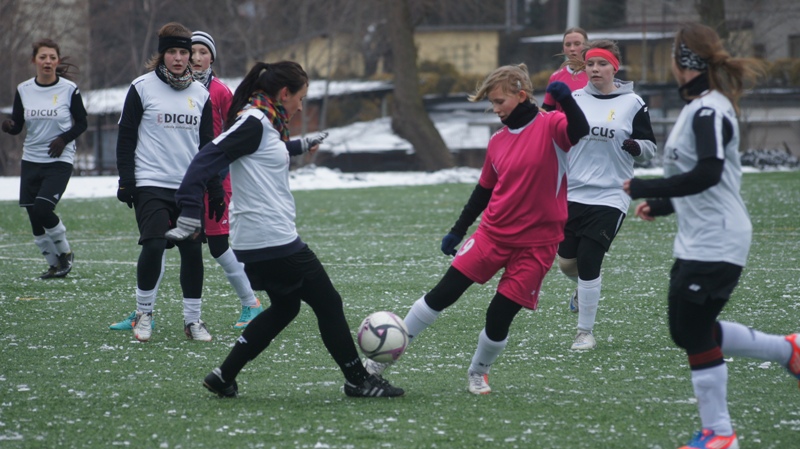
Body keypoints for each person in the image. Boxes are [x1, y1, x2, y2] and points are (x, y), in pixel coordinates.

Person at [166, 61, 403, 398]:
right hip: (272, 239)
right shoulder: (254, 121)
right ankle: (358, 380)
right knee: (329, 303)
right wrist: (189, 209)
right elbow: (207, 157)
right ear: (284, 93)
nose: (301, 105)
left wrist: (300, 146)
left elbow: (262, 153)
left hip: (259, 238)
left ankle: (224, 375)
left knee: (285, 307)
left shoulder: (266, 121)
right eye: (301, 98)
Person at [623, 22, 800, 449]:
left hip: (719, 240)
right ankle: (789, 351)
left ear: (682, 61)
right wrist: (664, 205)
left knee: (692, 329)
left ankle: (720, 434)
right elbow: (701, 178)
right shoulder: (698, 106)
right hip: (700, 238)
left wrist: (649, 187)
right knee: (687, 329)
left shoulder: (708, 110)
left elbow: (708, 173)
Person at [366, 64, 589, 395]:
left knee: (499, 314)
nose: (495, 110)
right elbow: (484, 190)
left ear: (522, 96)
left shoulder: (552, 125)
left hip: (537, 245)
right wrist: (457, 230)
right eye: (491, 103)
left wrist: (568, 102)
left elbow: (580, 131)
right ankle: (381, 360)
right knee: (444, 293)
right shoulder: (497, 141)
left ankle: (478, 372)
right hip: (492, 235)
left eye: (499, 102)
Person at [109, 22, 218, 342]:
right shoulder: (141, 87)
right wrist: (126, 180)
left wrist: (212, 186)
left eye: (184, 52)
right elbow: (125, 137)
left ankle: (193, 321)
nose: (179, 57)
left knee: (192, 251)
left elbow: (208, 146)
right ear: (162, 54)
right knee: (154, 243)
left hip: (189, 187)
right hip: (150, 183)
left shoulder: (201, 94)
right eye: (172, 51)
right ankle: (144, 314)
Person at [556, 40, 657, 350]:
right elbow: (558, 140)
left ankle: (584, 333)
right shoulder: (573, 99)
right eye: (590, 64)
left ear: (615, 66)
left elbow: (650, 150)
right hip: (572, 192)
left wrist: (638, 147)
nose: (595, 69)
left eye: (601, 64)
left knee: (589, 260)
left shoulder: (633, 103)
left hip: (612, 194)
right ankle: (582, 292)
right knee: (565, 263)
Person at [191, 30, 263, 329]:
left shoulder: (220, 91)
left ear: (212, 58)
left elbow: (235, 133)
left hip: (217, 179)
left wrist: (222, 174)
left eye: (202, 52)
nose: (196, 58)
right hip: (182, 180)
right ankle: (144, 310)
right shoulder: (173, 91)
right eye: (191, 51)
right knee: (161, 241)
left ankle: (252, 303)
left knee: (218, 245)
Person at [2, 39, 87, 279]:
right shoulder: (24, 89)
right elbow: (18, 125)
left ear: (57, 60)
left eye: (52, 57)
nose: (47, 61)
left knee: (43, 209)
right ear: (34, 61)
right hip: (31, 158)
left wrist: (63, 139)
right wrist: (9, 126)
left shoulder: (69, 89)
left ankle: (65, 254)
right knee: (33, 216)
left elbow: (82, 122)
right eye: (43, 57)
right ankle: (53, 265)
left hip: (59, 159)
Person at [541, 27, 589, 112]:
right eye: (568, 45)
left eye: (577, 44)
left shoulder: (595, 75)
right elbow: (547, 110)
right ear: (563, 48)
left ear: (587, 46)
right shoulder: (556, 77)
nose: (572, 48)